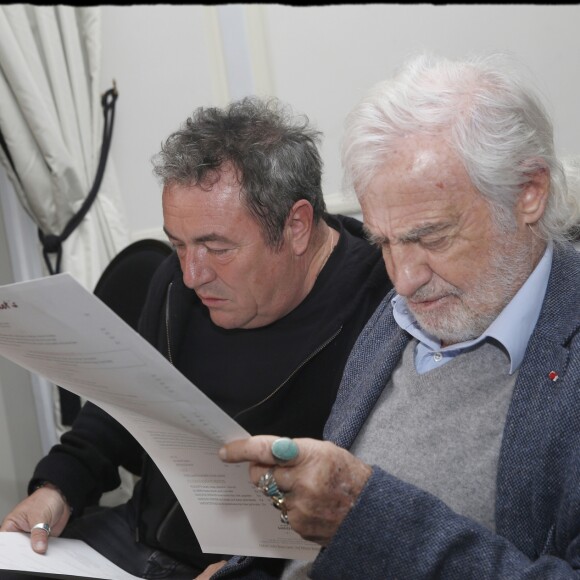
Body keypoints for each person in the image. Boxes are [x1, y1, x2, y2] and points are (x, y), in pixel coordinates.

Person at [216, 53, 580, 579]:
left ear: (529, 192)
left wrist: (361, 515)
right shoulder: (403, 316)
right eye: (383, 242)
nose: (403, 278)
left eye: (430, 237)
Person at [0, 97, 392, 579]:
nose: (190, 275)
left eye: (216, 247)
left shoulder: (380, 311)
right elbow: (124, 405)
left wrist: (258, 570)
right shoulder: (174, 286)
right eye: (177, 244)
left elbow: (376, 508)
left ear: (296, 226)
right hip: (137, 538)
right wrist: (57, 488)